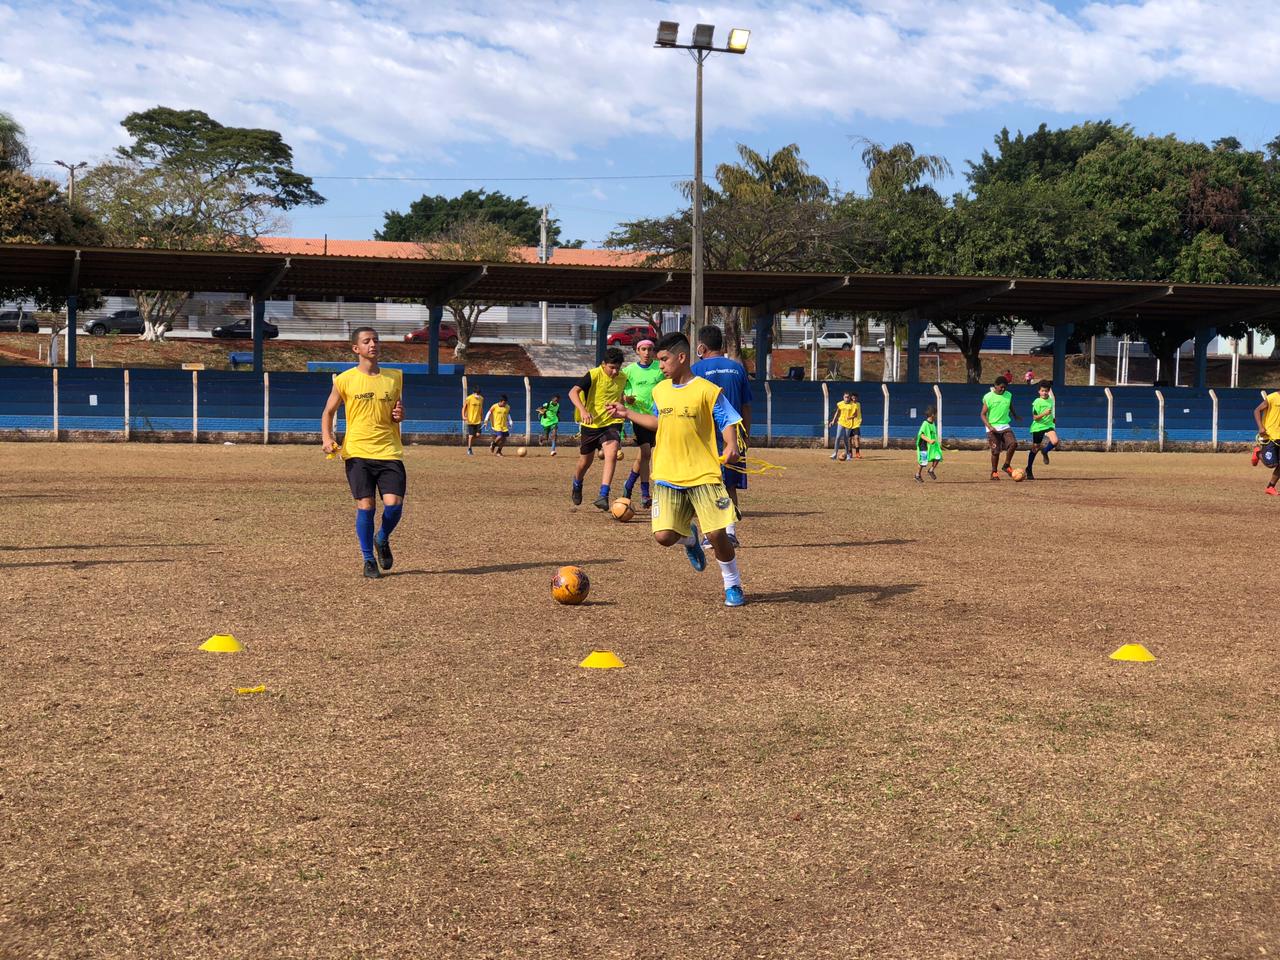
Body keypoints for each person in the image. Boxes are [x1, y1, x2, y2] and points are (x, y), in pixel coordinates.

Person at [607, 332, 745, 607]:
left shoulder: (706, 390)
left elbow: (726, 418)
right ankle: (689, 538)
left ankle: (733, 584)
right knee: (664, 537)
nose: (660, 366)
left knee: (717, 534)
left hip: (703, 473)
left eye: (663, 359)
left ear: (681, 357)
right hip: (668, 473)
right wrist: (627, 414)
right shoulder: (661, 391)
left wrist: (731, 445)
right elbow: (660, 422)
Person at [320, 327, 405, 580]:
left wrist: (400, 415)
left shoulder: (395, 377)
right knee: (366, 506)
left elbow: (397, 411)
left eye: (376, 340)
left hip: (389, 450)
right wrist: (327, 437)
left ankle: (382, 537)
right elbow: (328, 411)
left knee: (394, 506)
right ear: (356, 349)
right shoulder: (344, 379)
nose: (373, 344)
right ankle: (368, 560)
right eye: (367, 341)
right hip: (357, 451)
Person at [691, 325, 752, 545]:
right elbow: (746, 405)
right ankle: (730, 533)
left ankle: (711, 535)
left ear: (702, 347)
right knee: (730, 485)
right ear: (722, 345)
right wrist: (745, 435)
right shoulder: (737, 369)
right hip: (733, 434)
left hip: (705, 437)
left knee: (707, 485)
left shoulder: (696, 369)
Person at [568, 346, 628, 510]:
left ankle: (603, 495)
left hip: (612, 422)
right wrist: (583, 410)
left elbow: (619, 394)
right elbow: (573, 392)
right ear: (603, 364)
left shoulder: (623, 377)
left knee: (612, 453)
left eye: (618, 368)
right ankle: (577, 482)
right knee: (585, 462)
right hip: (591, 423)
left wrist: (626, 399)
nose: (615, 371)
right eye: (612, 367)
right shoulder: (593, 374)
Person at [620, 339, 665, 508]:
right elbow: (619, 388)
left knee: (643, 457)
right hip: (638, 417)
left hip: (657, 417)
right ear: (637, 351)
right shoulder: (629, 371)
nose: (647, 352)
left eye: (650, 349)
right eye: (643, 349)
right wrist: (625, 398)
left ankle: (629, 484)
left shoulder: (659, 368)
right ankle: (646, 494)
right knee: (646, 453)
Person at [981, 376, 1020, 480]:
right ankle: (994, 472)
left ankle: (1006, 465)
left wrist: (1015, 415)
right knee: (995, 451)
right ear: (995, 386)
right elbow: (983, 414)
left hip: (1005, 425)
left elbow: (1010, 405)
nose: (1003, 389)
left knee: (1013, 444)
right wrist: (989, 426)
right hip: (992, 427)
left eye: (1005, 387)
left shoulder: (1008, 395)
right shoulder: (988, 397)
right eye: (1001, 387)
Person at [1024, 381, 1059, 481]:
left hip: (1048, 426)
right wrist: (1044, 413)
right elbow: (1035, 417)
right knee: (1035, 448)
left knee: (1055, 441)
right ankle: (1029, 469)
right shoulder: (1036, 402)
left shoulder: (1051, 401)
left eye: (1046, 391)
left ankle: (1045, 451)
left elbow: (1051, 413)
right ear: (1039, 391)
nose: (1044, 393)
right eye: (1042, 391)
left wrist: (1052, 419)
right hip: (1038, 426)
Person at [1253, 388, 1280, 495]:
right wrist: (1260, 427)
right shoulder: (1272, 397)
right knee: (1271, 464)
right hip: (1270, 436)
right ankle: (1258, 453)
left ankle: (1270, 487)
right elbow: (1257, 410)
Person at [828, 391, 862, 460]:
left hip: (849, 424)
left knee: (846, 439)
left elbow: (855, 415)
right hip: (841, 422)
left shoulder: (853, 405)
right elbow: (837, 412)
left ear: (850, 398)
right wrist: (833, 421)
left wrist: (850, 418)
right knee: (838, 437)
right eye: (845, 397)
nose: (846, 398)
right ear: (843, 397)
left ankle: (848, 455)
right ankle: (835, 454)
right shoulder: (840, 404)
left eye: (848, 397)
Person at [914, 405, 942, 482]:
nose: (937, 416)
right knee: (923, 462)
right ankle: (917, 475)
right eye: (936, 414)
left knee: (938, 456)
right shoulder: (925, 423)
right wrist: (929, 440)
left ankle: (931, 470)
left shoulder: (933, 424)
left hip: (932, 445)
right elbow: (921, 435)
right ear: (933, 414)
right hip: (924, 445)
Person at [461, 385, 484, 456]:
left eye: (479, 393)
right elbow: (464, 408)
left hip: (478, 420)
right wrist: (463, 416)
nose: (477, 395)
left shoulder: (481, 399)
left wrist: (482, 417)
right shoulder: (469, 398)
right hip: (470, 420)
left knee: (478, 435)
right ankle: (469, 449)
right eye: (476, 393)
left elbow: (481, 408)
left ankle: (470, 442)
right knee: (471, 435)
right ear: (473, 392)